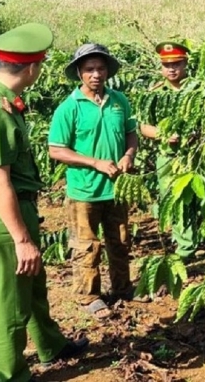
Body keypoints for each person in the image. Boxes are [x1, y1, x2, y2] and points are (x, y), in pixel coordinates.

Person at [0, 23, 88, 382]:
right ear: (31, 69)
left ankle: (51, 345)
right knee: (12, 306)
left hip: (14, 211)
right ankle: (11, 375)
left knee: (33, 289)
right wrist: (21, 239)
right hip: (4, 217)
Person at [48, 43, 147, 321]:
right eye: (89, 69)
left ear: (107, 71)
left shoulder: (119, 101)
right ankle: (89, 296)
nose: (96, 74)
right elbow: (56, 149)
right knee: (86, 244)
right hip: (85, 189)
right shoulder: (69, 108)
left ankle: (123, 287)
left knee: (120, 240)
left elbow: (131, 133)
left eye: (100, 68)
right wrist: (95, 162)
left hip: (116, 188)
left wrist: (129, 155)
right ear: (80, 73)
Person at [139, 41, 190, 195]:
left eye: (176, 64)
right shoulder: (155, 93)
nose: (171, 69)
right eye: (167, 65)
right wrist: (164, 135)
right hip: (167, 157)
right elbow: (143, 126)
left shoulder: (198, 89)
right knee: (168, 198)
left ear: (185, 63)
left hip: (194, 155)